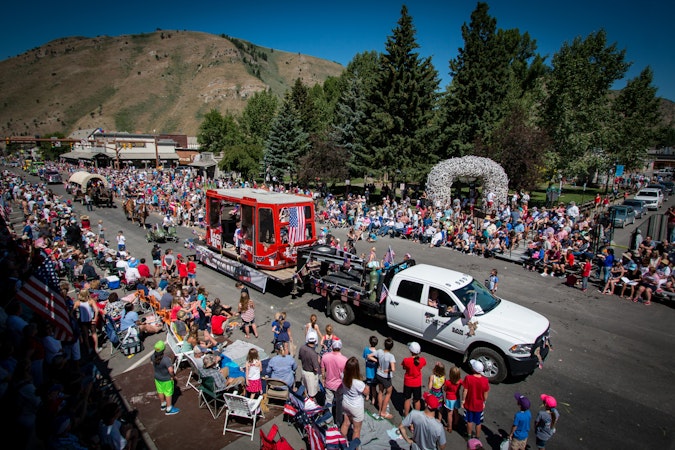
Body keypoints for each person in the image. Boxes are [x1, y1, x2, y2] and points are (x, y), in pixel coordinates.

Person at [341, 356, 368, 447]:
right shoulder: (358, 383)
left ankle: (343, 442)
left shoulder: (343, 376)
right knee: (356, 430)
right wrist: (366, 386)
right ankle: (355, 448)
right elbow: (366, 392)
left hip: (346, 403)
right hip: (356, 406)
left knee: (346, 423)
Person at [461, 359, 490, 440]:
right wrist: (484, 402)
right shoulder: (485, 380)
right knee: (478, 422)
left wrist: (463, 400)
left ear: (473, 369)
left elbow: (465, 390)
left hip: (469, 403)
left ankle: (469, 435)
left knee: (469, 421)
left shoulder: (468, 378)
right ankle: (477, 437)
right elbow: (485, 393)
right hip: (479, 405)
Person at [321, 338, 347, 425]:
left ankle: (328, 419)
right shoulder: (344, 360)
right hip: (339, 385)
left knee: (328, 401)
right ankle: (338, 421)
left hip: (329, 383)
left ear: (332, 346)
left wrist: (323, 379)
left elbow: (323, 369)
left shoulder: (325, 356)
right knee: (339, 403)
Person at [152, 340, 179, 415]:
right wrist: (173, 376)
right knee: (168, 393)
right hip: (166, 379)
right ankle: (169, 408)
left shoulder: (153, 356)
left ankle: (163, 404)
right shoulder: (166, 359)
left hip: (157, 378)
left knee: (160, 391)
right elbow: (170, 370)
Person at [401, 341, 426, 417]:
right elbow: (422, 365)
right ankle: (416, 416)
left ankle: (406, 415)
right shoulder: (422, 360)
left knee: (407, 399)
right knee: (417, 400)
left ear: (411, 351)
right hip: (417, 383)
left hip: (408, 382)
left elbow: (404, 367)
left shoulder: (406, 360)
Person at [375, 337, 396, 420]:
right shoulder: (391, 356)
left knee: (380, 391)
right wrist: (389, 370)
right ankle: (383, 412)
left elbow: (369, 356)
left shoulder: (379, 351)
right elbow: (393, 369)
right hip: (385, 377)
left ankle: (380, 410)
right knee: (388, 392)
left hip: (379, 374)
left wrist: (377, 362)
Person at [298, 330, 321, 399]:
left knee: (305, 389)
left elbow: (300, 358)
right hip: (311, 374)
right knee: (312, 393)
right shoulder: (313, 354)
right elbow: (316, 368)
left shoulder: (302, 348)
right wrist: (319, 361)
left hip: (304, 370)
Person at [443, 365, 463, 433]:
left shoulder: (448, 382)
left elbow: (445, 389)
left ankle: (449, 427)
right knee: (456, 411)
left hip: (450, 398)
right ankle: (456, 423)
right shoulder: (460, 381)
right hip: (457, 398)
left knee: (449, 413)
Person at [362, 335, 378, 405]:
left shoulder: (366, 349)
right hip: (374, 372)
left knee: (367, 385)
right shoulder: (377, 352)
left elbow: (364, 357)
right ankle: (373, 400)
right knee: (374, 387)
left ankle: (367, 396)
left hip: (368, 371)